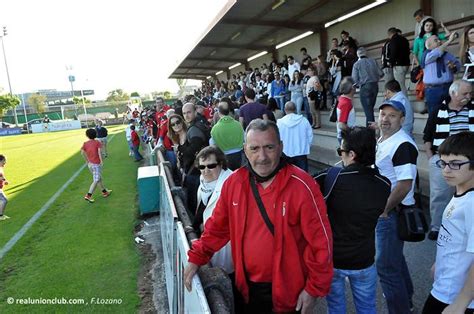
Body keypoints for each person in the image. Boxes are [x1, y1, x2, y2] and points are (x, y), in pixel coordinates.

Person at [184, 119, 333, 313]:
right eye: (254, 148)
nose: (262, 156)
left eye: (269, 147)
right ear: (245, 149)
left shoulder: (302, 185)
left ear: (280, 147)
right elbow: (217, 228)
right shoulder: (234, 183)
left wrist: (313, 289)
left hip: (290, 292)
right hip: (247, 288)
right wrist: (196, 257)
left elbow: (321, 243)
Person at [314, 127, 391, 314]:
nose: (340, 155)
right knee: (367, 308)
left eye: (341, 151)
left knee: (336, 307)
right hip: (364, 259)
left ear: (352, 154)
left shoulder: (329, 177)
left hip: (333, 259)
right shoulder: (384, 184)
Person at [422, 132, 474, 314]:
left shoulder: (472, 204)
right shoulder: (460, 193)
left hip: (454, 297)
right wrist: (440, 263)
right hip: (445, 285)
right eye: (443, 163)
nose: (446, 170)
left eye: (455, 164)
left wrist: (461, 303)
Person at [375, 99, 418, 314]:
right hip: (388, 211)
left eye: (392, 115)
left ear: (402, 119)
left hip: (391, 212)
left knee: (386, 267)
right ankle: (406, 299)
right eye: (383, 114)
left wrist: (384, 209)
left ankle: (400, 309)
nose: (386, 119)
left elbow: (404, 184)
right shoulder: (385, 139)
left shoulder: (403, 144)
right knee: (395, 259)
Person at [423, 80, 473, 240]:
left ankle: (467, 227)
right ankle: (437, 227)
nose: (469, 96)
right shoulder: (438, 110)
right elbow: (427, 135)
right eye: (465, 93)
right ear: (453, 93)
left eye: (470, 93)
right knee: (439, 195)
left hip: (469, 160)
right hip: (442, 159)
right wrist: (432, 158)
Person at [191, 146, 234, 278]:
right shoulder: (203, 182)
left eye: (211, 166)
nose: (206, 171)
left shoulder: (231, 183)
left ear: (221, 164)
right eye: (202, 167)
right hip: (209, 239)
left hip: (226, 243)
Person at [181, 103, 210, 214]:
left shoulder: (194, 128)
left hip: (196, 170)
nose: (186, 115)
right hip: (201, 168)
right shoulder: (200, 123)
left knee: (194, 200)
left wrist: (182, 149)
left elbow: (194, 149)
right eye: (184, 113)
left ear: (194, 112)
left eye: (189, 112)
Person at [422, 33, 461, 115]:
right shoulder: (427, 55)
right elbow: (437, 53)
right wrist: (449, 40)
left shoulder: (447, 54)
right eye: (436, 40)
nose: (439, 41)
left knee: (449, 113)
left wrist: (453, 67)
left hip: (448, 87)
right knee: (434, 114)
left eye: (439, 40)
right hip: (433, 90)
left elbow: (457, 66)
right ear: (428, 45)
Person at [277, 101, 313, 172]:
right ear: (295, 109)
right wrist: (306, 147)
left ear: (285, 110)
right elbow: (310, 136)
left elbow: (276, 138)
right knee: (303, 177)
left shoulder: (280, 123)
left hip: (285, 153)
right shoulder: (304, 120)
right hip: (301, 153)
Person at [210, 98, 244, 170]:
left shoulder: (214, 129)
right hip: (239, 156)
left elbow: (213, 145)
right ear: (229, 111)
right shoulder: (238, 124)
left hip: (224, 157)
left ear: (219, 113)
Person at [352, 47, 383, 125]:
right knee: (370, 110)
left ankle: (370, 132)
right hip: (375, 85)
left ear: (358, 55)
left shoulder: (356, 64)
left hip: (365, 87)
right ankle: (370, 129)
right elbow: (381, 73)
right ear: (366, 53)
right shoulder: (373, 61)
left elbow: (354, 79)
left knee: (368, 111)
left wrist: (359, 84)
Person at [81, 128, 112, 203]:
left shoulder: (85, 143)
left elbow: (82, 153)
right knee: (96, 180)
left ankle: (105, 192)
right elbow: (99, 152)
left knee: (99, 178)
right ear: (95, 134)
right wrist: (101, 161)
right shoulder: (97, 142)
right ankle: (88, 195)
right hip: (96, 164)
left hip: (90, 165)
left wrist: (87, 161)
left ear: (87, 135)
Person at [387, 27, 411, 96]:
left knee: (400, 85)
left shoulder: (393, 40)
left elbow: (393, 52)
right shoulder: (404, 39)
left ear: (389, 34)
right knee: (402, 83)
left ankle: (404, 102)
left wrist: (391, 63)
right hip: (406, 63)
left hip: (398, 64)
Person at [336, 77, 356, 144]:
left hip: (343, 136)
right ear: (352, 87)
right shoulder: (346, 103)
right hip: (346, 137)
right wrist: (352, 132)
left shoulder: (342, 99)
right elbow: (341, 125)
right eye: (355, 86)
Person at [0, 155, 10, 221]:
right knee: (4, 200)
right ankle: (0, 216)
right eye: (4, 161)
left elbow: (2, 177)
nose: (5, 163)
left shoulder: (1, 168)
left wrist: (4, 181)